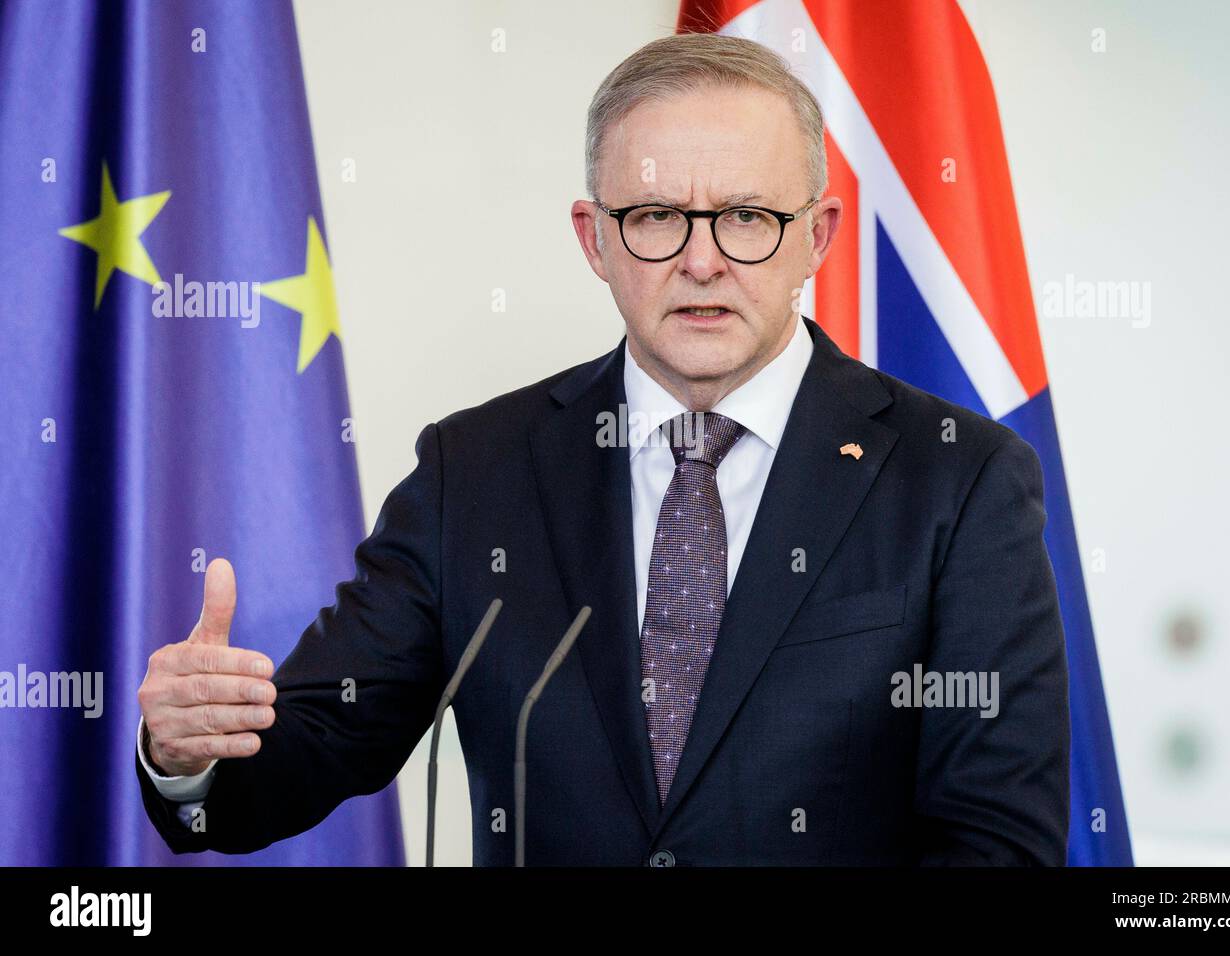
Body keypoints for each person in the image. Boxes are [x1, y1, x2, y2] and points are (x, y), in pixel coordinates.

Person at [136, 32, 1069, 866]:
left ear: (815, 237)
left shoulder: (960, 480)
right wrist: (192, 754)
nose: (702, 261)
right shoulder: (477, 471)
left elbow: (998, 842)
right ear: (595, 240)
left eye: (747, 216)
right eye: (657, 216)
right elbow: (315, 746)